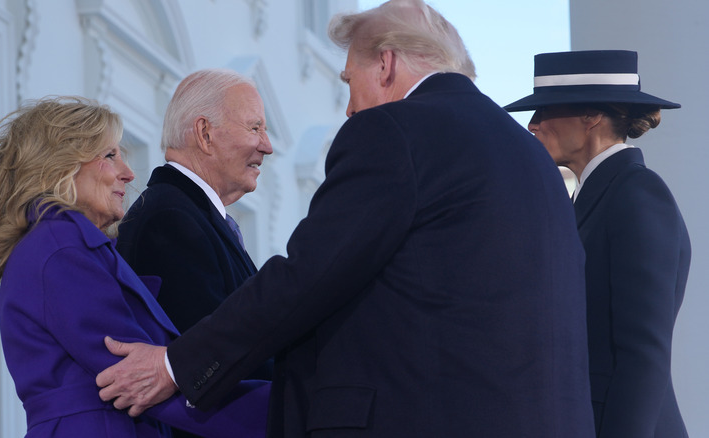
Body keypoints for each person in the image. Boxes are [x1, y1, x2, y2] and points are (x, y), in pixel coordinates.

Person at [97, 1, 595, 437]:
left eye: (348, 82)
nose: (351, 109)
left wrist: (175, 366)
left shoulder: (395, 130)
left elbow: (310, 275)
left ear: (386, 63)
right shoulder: (532, 157)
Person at [0, 96, 268, 438]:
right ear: (61, 164)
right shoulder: (61, 247)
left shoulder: (68, 247)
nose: (128, 174)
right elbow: (139, 377)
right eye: (110, 155)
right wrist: (289, 409)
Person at [505, 50, 690, 438]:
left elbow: (643, 354)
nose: (532, 124)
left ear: (591, 116)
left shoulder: (637, 193)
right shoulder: (597, 196)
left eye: (545, 110)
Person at [116, 67, 275, 438]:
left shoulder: (188, 214)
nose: (267, 146)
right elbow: (206, 363)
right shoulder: (170, 219)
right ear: (205, 133)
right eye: (255, 127)